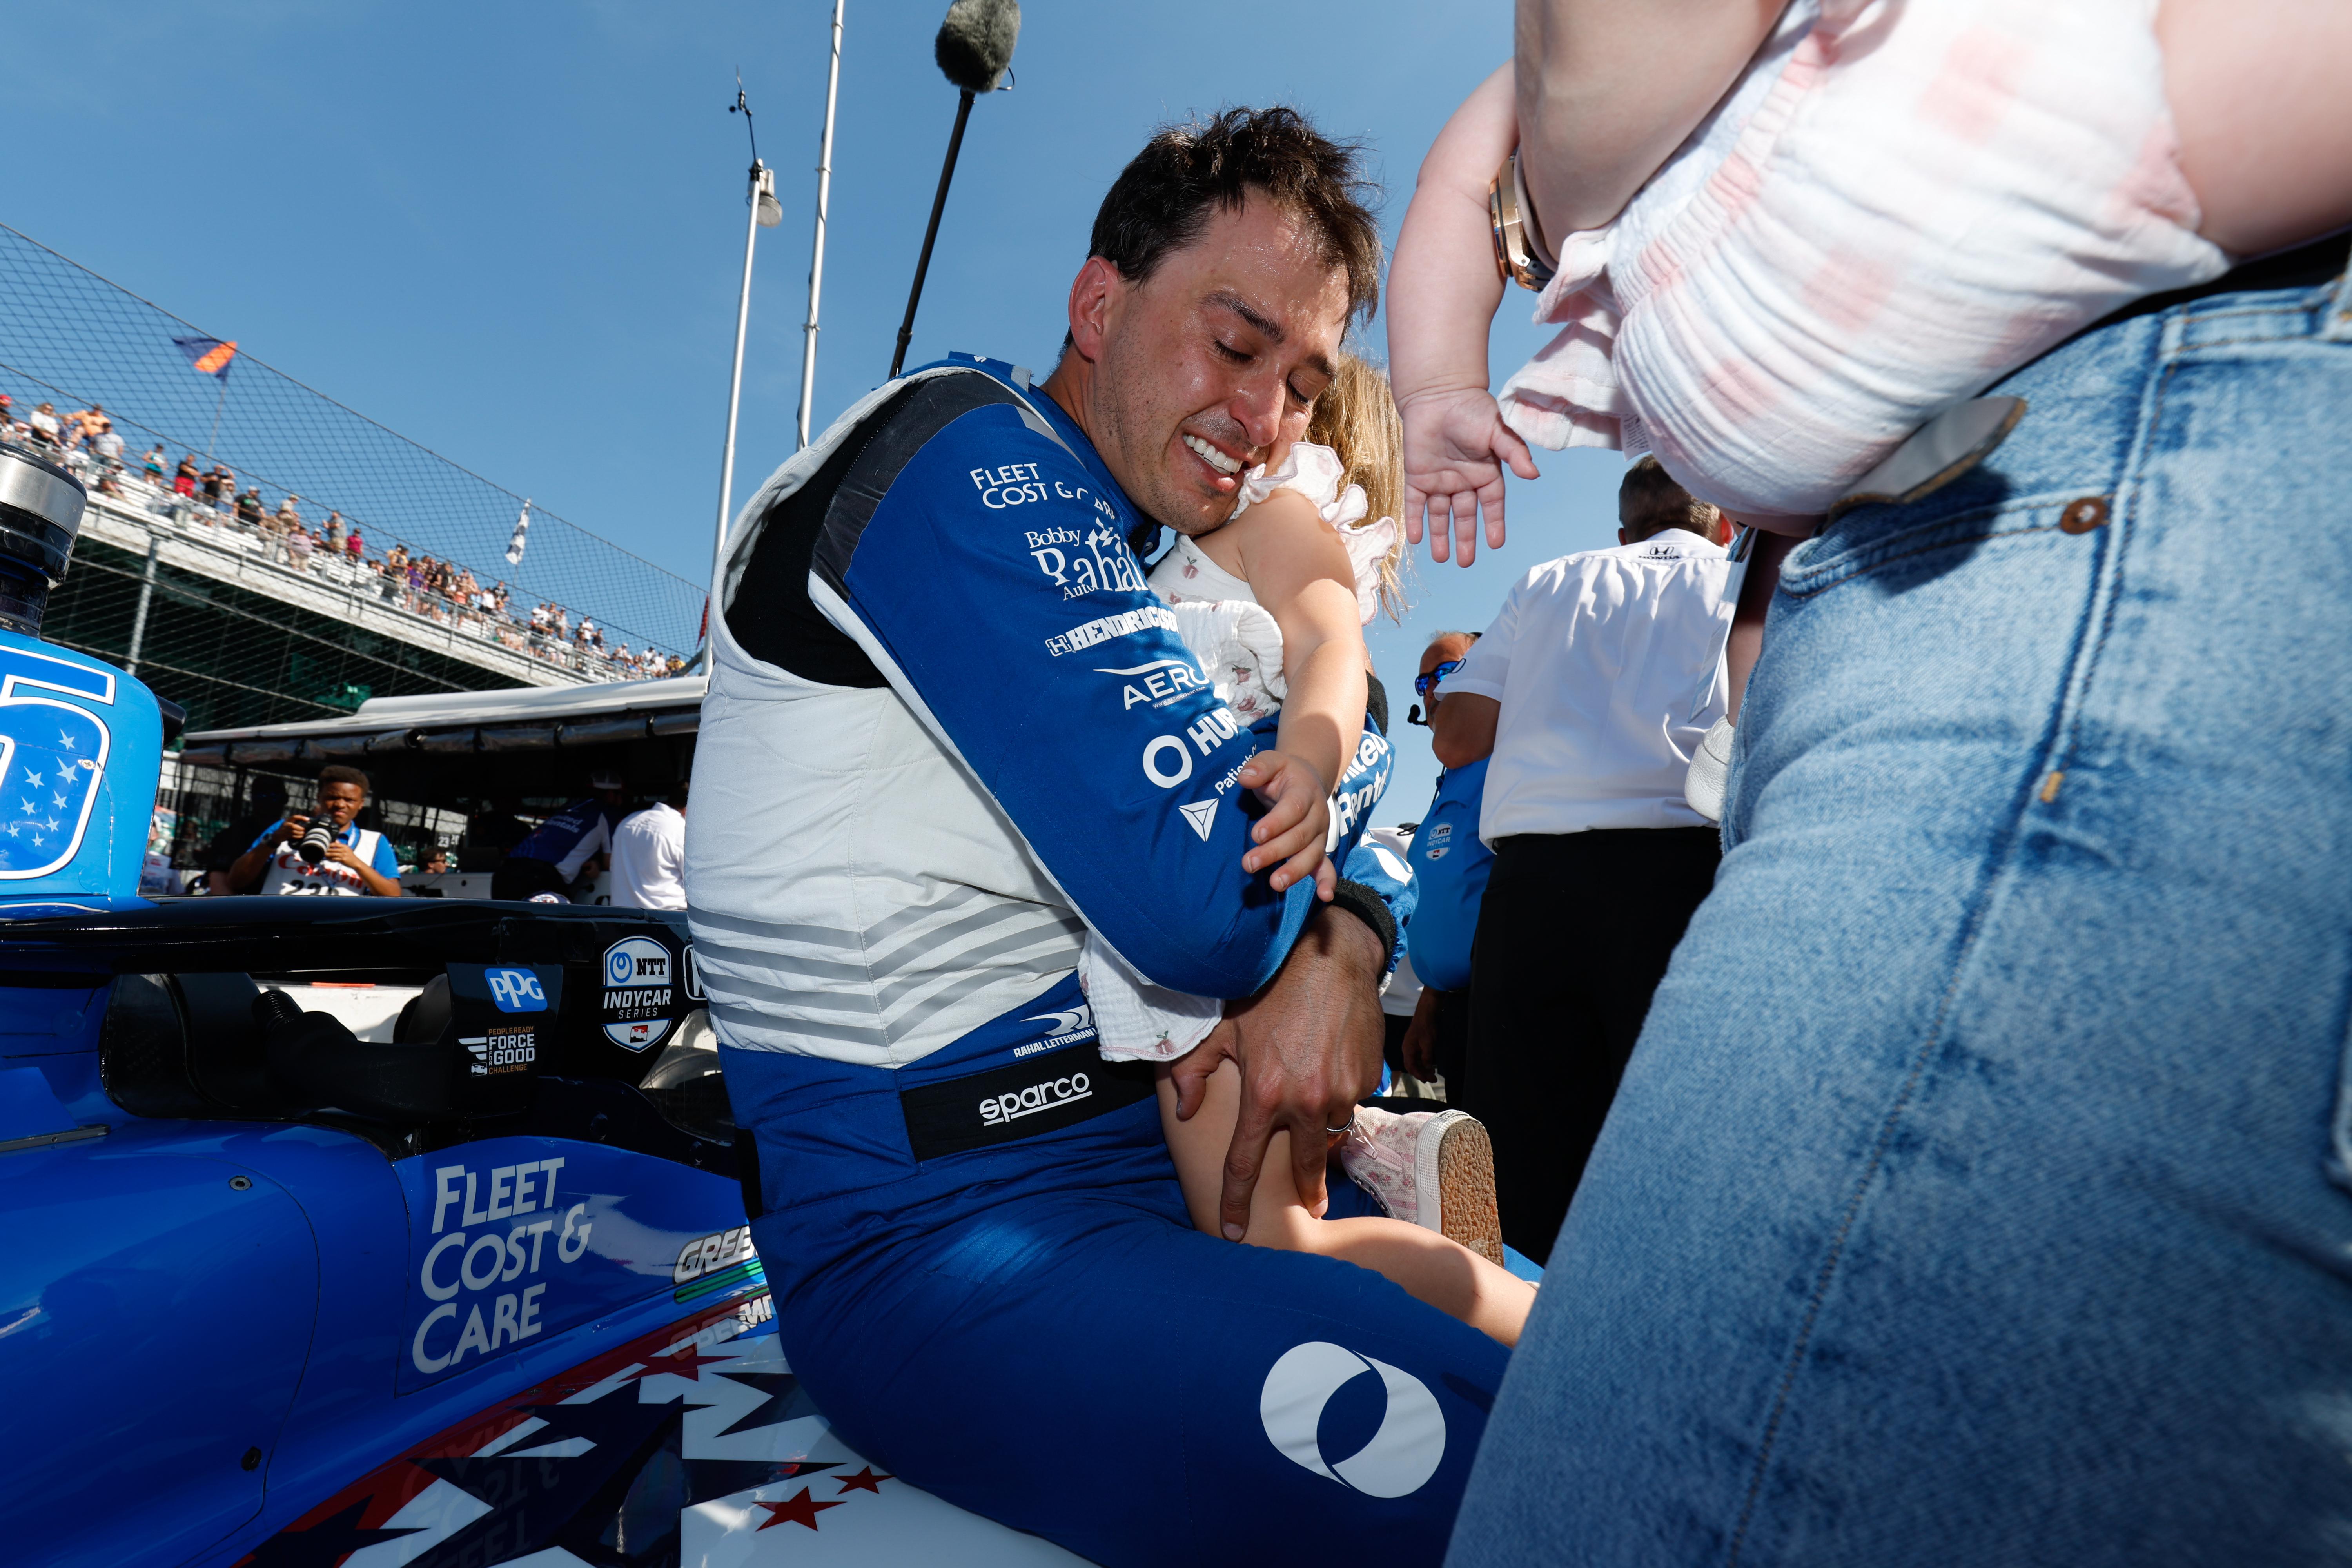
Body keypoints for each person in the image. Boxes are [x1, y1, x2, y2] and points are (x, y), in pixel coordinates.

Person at [1432, 6, 2352, 1566]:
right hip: (1960, 576)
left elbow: (1461, 724)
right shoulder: (1695, 567)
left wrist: (1462, 332)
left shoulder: (1573, 571)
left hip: (2096, 486)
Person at [692, 106, 1508, 1566]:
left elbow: (1251, 865)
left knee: (1578, 1369)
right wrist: (1359, 720)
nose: (1263, 416)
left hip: (1133, 1173)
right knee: (1528, 1464)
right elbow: (1201, 895)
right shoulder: (961, 452)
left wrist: (1348, 927)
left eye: (1304, 383)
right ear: (1097, 303)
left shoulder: (1136, 540)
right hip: (936, 1247)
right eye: (1235, 341)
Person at [1098, 348, 1527, 1335]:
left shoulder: (1280, 520)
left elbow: (1333, 648)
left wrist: (1309, 760)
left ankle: (1531, 1344)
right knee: (1248, 1225)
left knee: (1264, 1237)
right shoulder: (1217, 537)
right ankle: (1369, 1148)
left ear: (1320, 441)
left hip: (1232, 891)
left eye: (1285, 397)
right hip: (1193, 899)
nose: (1242, 410)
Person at [1429, 456, 1730, 1262]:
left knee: (1523, 1172)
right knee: (1677, 1162)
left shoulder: (1550, 579)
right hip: (1686, 883)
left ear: (1623, 532)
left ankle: (1516, 1357)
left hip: (1532, 894)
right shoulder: (1738, 578)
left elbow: (1456, 735)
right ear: (1724, 523)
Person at [1398, 630, 1492, 1103]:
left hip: (1503, 1015)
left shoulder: (1511, 766)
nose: (1432, 692)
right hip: (1456, 1017)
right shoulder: (1450, 783)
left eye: (1447, 672)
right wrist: (1429, 1004)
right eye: (1422, 683)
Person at [226, 765, 403, 897]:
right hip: (278, 924)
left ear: (361, 804)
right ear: (319, 797)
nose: (340, 805)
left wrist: (356, 864)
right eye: (332, 797)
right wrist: (273, 841)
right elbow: (236, 881)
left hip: (337, 931)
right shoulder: (287, 829)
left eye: (349, 800)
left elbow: (394, 896)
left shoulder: (374, 841)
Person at [491, 771, 625, 900]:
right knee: (555, 923)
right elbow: (611, 863)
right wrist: (597, 865)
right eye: (621, 795)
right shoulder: (609, 814)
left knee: (504, 922)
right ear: (611, 795)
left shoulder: (567, 808)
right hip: (539, 878)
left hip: (504, 872)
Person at [202, 777, 289, 895]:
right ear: (252, 799)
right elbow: (219, 879)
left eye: (275, 797)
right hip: (243, 905)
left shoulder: (293, 834)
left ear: (285, 800)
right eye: (261, 796)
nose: (268, 802)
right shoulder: (231, 835)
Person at [609, 783, 685, 910]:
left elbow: (613, 867)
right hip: (666, 920)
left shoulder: (628, 821)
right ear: (687, 810)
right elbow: (697, 883)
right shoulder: (680, 829)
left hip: (621, 917)